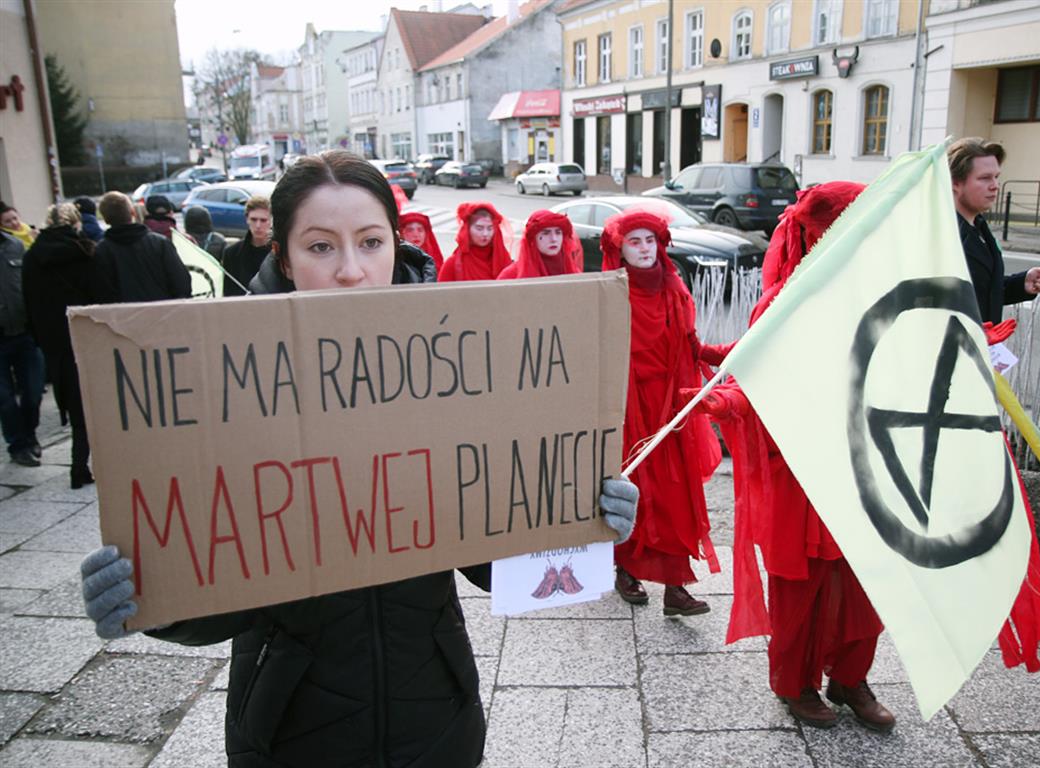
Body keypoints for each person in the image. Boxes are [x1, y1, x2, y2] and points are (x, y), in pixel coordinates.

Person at [79, 150, 641, 768]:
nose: (352, 270)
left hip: (436, 718)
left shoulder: (452, 370)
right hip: (289, 734)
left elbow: (488, 564)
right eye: (321, 247)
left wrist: (581, 522)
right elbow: (223, 589)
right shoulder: (227, 390)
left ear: (395, 249)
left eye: (371, 242)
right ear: (283, 258)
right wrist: (149, 598)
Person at [690, 182, 896, 731]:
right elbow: (754, 378)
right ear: (813, 236)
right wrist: (721, 399)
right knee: (800, 587)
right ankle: (794, 683)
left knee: (865, 580)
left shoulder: (884, 298)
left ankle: (851, 678)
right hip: (799, 473)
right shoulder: (780, 305)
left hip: (864, 465)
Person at [601, 208, 725, 617]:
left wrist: (726, 353)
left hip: (669, 409)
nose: (643, 248)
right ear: (620, 249)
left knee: (675, 496)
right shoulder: (611, 292)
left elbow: (689, 343)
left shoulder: (674, 289)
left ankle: (677, 585)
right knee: (633, 490)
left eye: (649, 240)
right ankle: (625, 569)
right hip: (628, 408)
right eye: (634, 241)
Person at [21, 203, 104, 487]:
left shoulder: (32, 257)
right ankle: (84, 467)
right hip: (86, 338)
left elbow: (28, 303)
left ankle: (78, 466)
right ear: (75, 223)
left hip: (54, 343)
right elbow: (100, 298)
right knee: (94, 405)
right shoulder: (85, 253)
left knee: (74, 406)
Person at [948, 137, 1040, 323]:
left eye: (996, 177)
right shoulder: (945, 233)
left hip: (981, 346)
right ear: (955, 183)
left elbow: (980, 289)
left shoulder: (979, 226)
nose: (995, 186)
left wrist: (1022, 284)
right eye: (984, 178)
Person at [93, 192, 191, 303]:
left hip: (121, 317)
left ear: (105, 219)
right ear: (133, 212)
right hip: (162, 313)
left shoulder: (101, 251)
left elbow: (100, 292)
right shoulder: (160, 243)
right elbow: (182, 283)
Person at [0, 225, 44, 467]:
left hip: (25, 333)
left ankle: (30, 435)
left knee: (33, 392)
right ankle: (17, 445)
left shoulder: (15, 246)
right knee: (5, 399)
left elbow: (31, 285)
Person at [497, 210, 583, 280]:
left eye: (558, 232)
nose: (554, 239)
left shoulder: (572, 271)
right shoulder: (511, 276)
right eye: (546, 233)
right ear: (533, 239)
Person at [438, 202, 512, 282]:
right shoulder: (453, 264)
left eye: (490, 228)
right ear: (467, 229)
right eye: (479, 228)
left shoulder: (503, 259)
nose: (485, 234)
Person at [222, 195, 273, 296]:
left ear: (271, 221)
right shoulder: (232, 253)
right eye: (254, 220)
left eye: (263, 220)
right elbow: (228, 293)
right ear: (247, 219)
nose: (258, 226)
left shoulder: (281, 252)